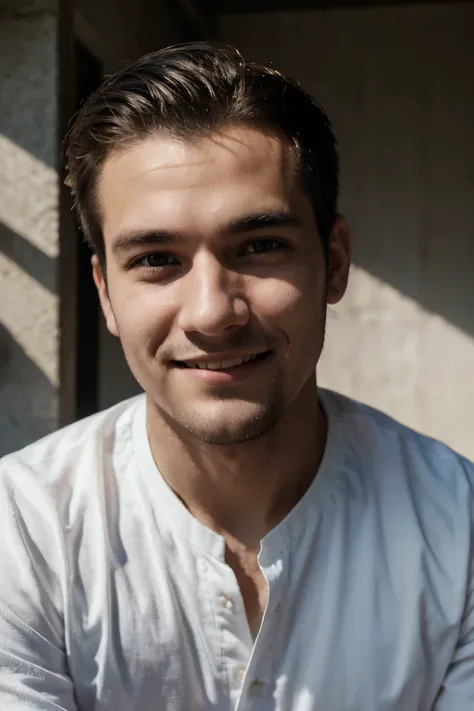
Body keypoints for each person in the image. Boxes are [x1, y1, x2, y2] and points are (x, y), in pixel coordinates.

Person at [0, 42, 473, 711]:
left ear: (334, 262)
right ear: (105, 292)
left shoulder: (458, 530)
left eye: (259, 247)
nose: (212, 312)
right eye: (158, 258)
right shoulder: (21, 531)